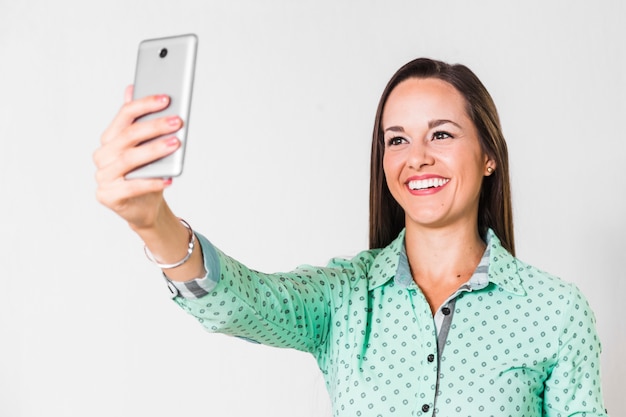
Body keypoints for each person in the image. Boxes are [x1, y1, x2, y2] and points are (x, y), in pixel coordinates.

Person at [94, 58, 608, 416]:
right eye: (397, 139)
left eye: (443, 134)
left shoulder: (555, 312)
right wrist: (150, 220)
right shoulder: (344, 297)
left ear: (489, 156)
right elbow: (239, 301)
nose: (417, 157)